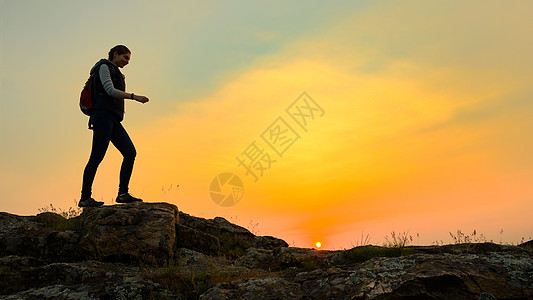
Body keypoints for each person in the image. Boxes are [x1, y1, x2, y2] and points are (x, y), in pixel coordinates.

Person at [79, 45, 149, 207]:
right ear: (115, 54)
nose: (127, 62)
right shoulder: (104, 66)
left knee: (130, 152)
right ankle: (85, 198)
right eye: (125, 57)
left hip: (113, 118)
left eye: (129, 59)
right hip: (102, 116)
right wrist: (134, 96)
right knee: (97, 157)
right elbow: (110, 90)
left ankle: (123, 193)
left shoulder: (118, 73)